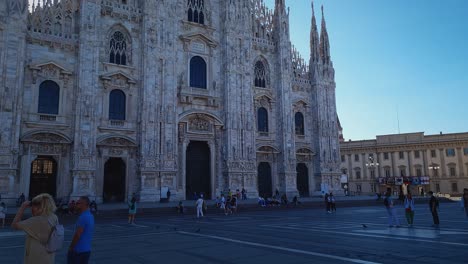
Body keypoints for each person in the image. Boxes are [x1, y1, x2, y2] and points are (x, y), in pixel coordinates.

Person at [11, 193, 59, 264]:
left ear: (39, 207)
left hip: (36, 258)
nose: (31, 208)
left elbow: (14, 225)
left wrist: (22, 207)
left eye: (32, 206)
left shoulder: (36, 220)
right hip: (49, 256)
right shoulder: (54, 217)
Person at [68, 196, 95, 264]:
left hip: (78, 251)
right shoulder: (90, 216)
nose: (76, 205)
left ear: (83, 204)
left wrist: (71, 247)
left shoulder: (83, 217)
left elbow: (78, 234)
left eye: (78, 203)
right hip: (87, 250)